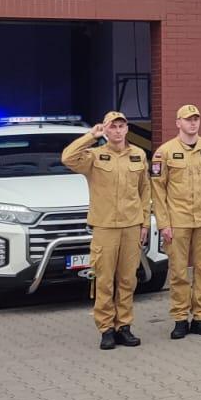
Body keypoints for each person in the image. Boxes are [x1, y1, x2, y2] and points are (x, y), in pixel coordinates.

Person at [60, 112, 151, 350]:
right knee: (104, 280)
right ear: (106, 130)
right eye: (113, 127)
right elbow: (67, 157)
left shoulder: (138, 155)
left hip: (131, 226)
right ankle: (106, 329)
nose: (118, 131)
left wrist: (145, 223)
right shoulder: (94, 156)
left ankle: (124, 326)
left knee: (128, 279)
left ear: (127, 129)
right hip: (105, 227)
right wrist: (91, 135)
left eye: (121, 126)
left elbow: (145, 190)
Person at [150, 104, 201, 340]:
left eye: (196, 119)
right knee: (179, 273)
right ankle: (180, 319)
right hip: (177, 222)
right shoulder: (164, 153)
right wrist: (163, 223)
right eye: (188, 119)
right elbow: (157, 191)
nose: (193, 123)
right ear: (178, 123)